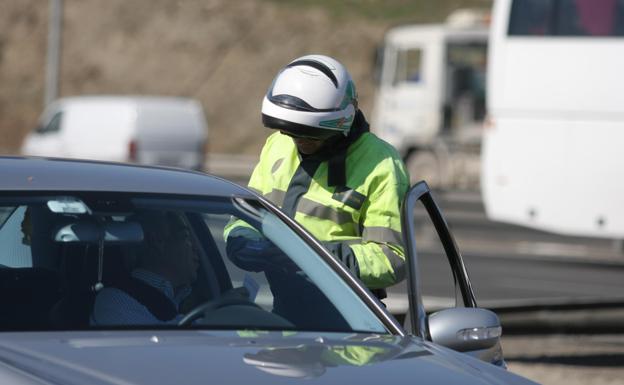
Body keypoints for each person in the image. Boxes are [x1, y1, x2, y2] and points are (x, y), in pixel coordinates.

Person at [225, 54, 409, 302]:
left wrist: (314, 257)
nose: (299, 141)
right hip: (286, 305)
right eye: (289, 131)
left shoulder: (382, 164)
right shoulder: (278, 145)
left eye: (311, 135)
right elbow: (248, 215)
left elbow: (392, 259)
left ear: (340, 122)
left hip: (349, 314)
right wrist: (242, 242)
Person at [91, 211, 200, 325]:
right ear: (158, 241)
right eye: (186, 237)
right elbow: (152, 341)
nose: (196, 248)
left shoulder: (183, 299)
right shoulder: (113, 300)